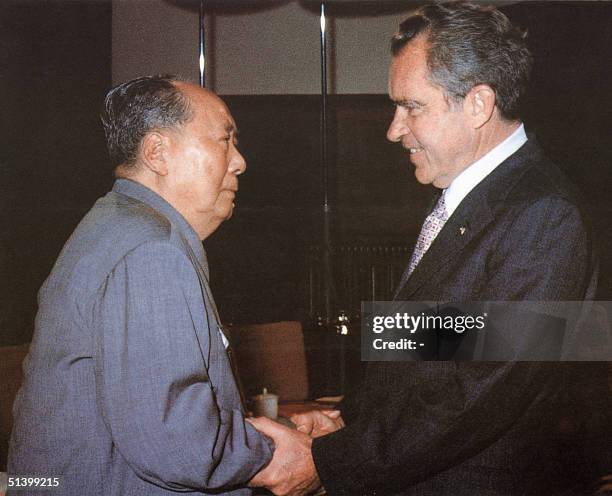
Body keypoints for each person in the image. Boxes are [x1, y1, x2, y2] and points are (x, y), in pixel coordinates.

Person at [249, 3, 606, 495]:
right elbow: (432, 349)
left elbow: (482, 391)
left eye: (412, 106)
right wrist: (346, 421)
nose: (393, 129)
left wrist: (332, 462)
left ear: (478, 104)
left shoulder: (543, 214)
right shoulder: (471, 200)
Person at [8, 75, 274, 495]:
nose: (239, 161)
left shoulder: (118, 224)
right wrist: (274, 450)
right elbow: (179, 446)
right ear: (157, 152)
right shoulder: (152, 250)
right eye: (225, 140)